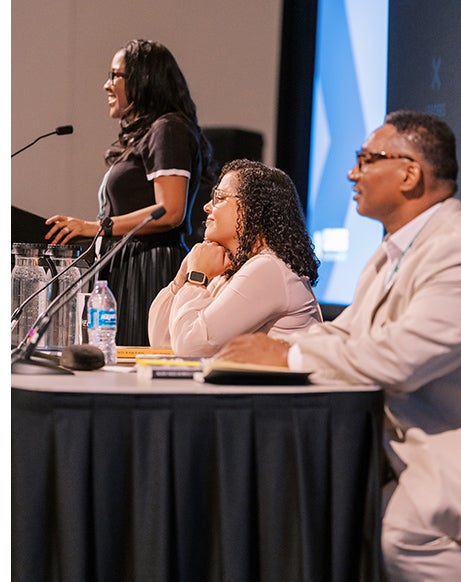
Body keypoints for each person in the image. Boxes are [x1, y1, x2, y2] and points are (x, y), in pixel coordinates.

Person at [215, 112, 461, 580]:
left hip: (441, 451)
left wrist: (289, 355)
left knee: (400, 534)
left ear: (410, 173)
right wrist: (269, 350)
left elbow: (401, 356)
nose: (352, 172)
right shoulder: (397, 248)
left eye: (367, 160)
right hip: (389, 448)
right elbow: (349, 330)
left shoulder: (453, 246)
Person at [45, 39, 216, 346]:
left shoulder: (169, 129)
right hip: (127, 263)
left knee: (134, 365)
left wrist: (97, 227)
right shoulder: (150, 134)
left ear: (144, 80)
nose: (106, 85)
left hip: (149, 267)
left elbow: (171, 211)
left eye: (115, 76)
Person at [148, 158, 322, 357]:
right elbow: (162, 342)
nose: (206, 207)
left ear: (252, 209)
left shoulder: (269, 268)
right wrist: (182, 278)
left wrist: (196, 278)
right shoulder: (230, 268)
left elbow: (191, 348)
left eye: (219, 198)